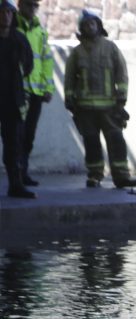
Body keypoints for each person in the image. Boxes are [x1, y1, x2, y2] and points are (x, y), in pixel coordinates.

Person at [63, 9, 134, 189]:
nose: (90, 27)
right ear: (82, 29)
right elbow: (70, 78)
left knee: (116, 140)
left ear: (99, 25)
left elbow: (122, 73)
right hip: (85, 108)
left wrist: (121, 96)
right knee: (91, 142)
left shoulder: (110, 48)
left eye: (92, 23)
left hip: (109, 107)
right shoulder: (77, 53)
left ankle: (121, 176)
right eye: (86, 25)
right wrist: (70, 98)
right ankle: (95, 175)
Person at [15, 0, 52, 187]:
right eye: (28, 5)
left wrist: (48, 88)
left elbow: (47, 61)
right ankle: (17, 175)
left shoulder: (40, 31)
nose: (31, 9)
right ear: (19, 5)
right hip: (18, 91)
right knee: (16, 135)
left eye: (34, 6)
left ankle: (23, 172)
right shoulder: (12, 26)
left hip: (36, 91)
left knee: (29, 135)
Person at [0, 0, 34, 199]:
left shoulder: (19, 40)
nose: (5, 16)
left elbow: (28, 67)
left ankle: (16, 184)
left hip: (13, 100)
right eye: (2, 12)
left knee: (13, 144)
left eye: (9, 12)